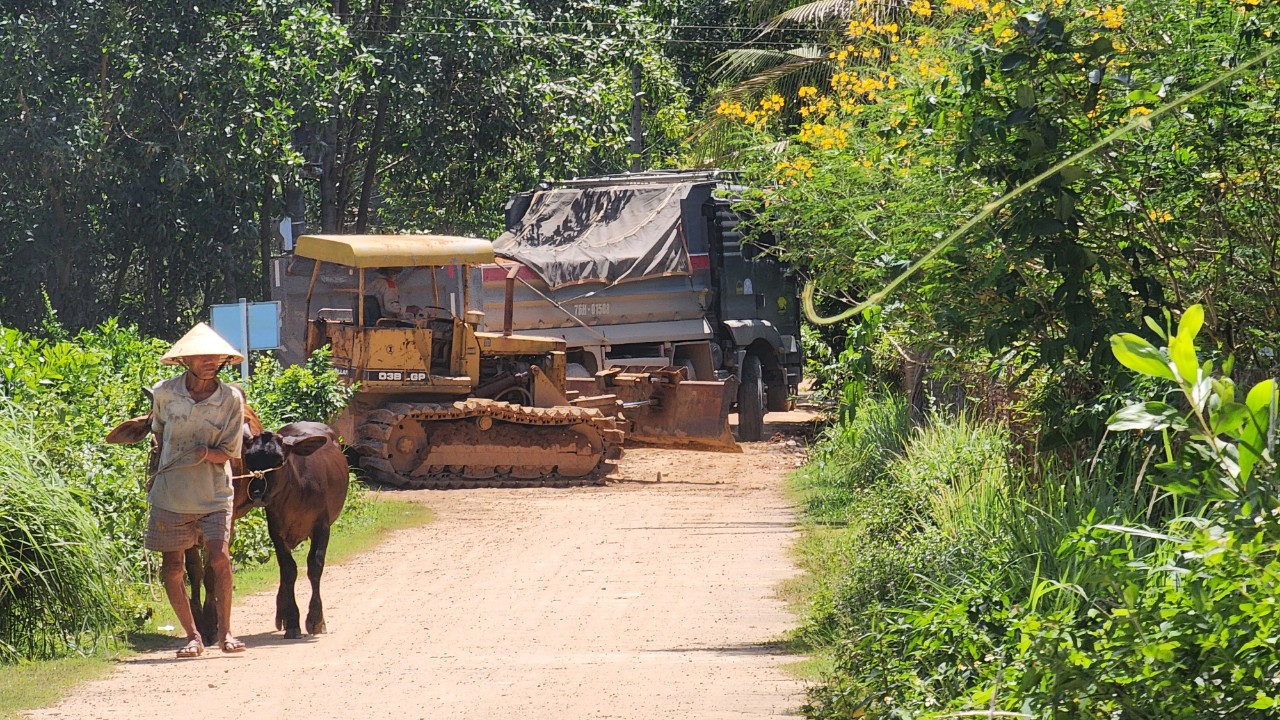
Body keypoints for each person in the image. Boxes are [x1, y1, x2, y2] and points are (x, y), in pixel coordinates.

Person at [146, 323, 247, 658]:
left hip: (214, 493)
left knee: (219, 557)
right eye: (202, 356)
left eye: (215, 357)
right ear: (185, 360)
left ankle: (226, 632)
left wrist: (204, 453)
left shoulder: (230, 399)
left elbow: (229, 452)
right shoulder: (164, 393)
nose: (210, 362)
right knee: (173, 567)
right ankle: (192, 636)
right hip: (171, 494)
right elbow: (159, 432)